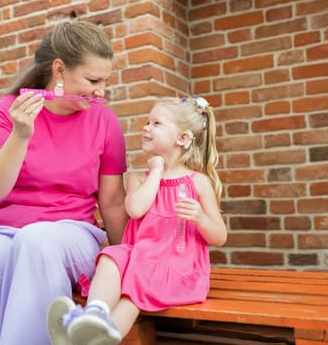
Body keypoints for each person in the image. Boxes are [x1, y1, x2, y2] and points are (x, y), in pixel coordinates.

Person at [0, 20, 128, 345]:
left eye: (105, 81)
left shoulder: (105, 122)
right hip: (0, 232)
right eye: (93, 80)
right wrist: (20, 135)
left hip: (71, 234)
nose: (101, 91)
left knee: (36, 239)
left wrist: (128, 256)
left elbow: (110, 202)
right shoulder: (7, 112)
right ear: (59, 70)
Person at [47, 96, 228, 345]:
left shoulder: (198, 183)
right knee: (111, 256)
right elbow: (135, 209)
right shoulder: (139, 179)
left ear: (182, 139)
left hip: (177, 271)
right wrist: (156, 171)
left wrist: (201, 219)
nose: (146, 127)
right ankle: (92, 316)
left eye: (156, 123)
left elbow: (220, 236)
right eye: (147, 122)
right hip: (140, 259)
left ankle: (96, 337)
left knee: (134, 289)